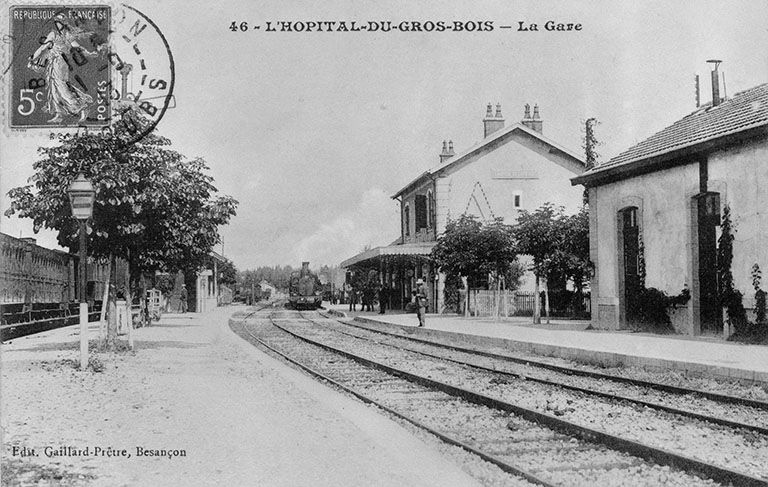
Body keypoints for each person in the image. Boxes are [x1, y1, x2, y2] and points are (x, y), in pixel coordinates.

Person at [27, 13, 103, 123]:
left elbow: (77, 47)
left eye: (59, 22)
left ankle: (80, 107)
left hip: (59, 63)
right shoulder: (58, 34)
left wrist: (89, 53)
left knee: (61, 86)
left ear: (63, 23)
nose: (57, 25)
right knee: (53, 87)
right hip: (54, 63)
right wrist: (34, 57)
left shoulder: (61, 35)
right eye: (56, 22)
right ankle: (59, 114)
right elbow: (43, 48)